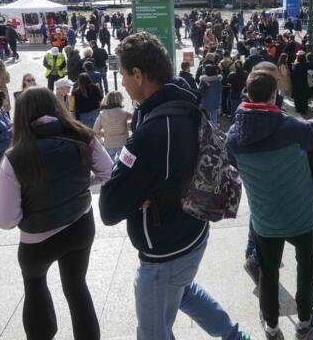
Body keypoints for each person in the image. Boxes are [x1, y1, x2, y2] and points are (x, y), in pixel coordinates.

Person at [99, 32, 250, 340]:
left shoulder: (152, 133)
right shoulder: (184, 99)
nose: (123, 82)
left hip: (164, 252)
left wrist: (132, 178)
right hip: (193, 231)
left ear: (138, 75)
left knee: (153, 332)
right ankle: (234, 336)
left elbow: (109, 209)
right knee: (184, 291)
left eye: (124, 75)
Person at [227, 70, 313, 340]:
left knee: (268, 271)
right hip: (300, 215)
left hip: (265, 219)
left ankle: (271, 325)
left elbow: (233, 163)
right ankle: (304, 319)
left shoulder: (233, 138)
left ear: (247, 94)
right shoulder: (293, 128)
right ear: (274, 94)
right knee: (307, 264)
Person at [0, 87, 113, 340]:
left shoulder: (14, 158)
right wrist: (84, 182)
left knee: (35, 285)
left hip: (38, 239)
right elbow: (108, 172)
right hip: (80, 225)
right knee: (77, 286)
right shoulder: (83, 136)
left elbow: (5, 220)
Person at [93, 90, 130, 161]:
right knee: (122, 163)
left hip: (109, 143)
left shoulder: (102, 114)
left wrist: (104, 135)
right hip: (122, 143)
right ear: (120, 100)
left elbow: (95, 130)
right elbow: (134, 120)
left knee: (110, 164)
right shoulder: (124, 113)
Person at [291, 50, 312, 115]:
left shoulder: (296, 65)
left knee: (298, 97)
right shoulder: (307, 64)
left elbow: (293, 76)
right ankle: (304, 109)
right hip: (305, 83)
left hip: (297, 84)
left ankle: (298, 108)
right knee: (304, 97)